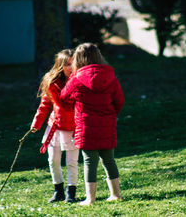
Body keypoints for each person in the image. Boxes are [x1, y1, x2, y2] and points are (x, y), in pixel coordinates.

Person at [60, 43, 124, 206]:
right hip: (107, 123)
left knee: (90, 161)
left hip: (86, 124)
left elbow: (64, 96)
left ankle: (91, 198)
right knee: (109, 160)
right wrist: (110, 114)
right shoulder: (110, 76)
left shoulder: (76, 79)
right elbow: (119, 101)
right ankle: (116, 194)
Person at [30, 49, 79, 203]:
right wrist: (36, 124)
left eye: (73, 64)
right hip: (55, 127)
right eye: (67, 64)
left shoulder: (80, 82)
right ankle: (58, 191)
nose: (70, 68)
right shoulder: (52, 83)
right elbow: (44, 105)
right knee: (53, 160)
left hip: (73, 128)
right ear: (60, 65)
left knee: (72, 162)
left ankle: (71, 192)